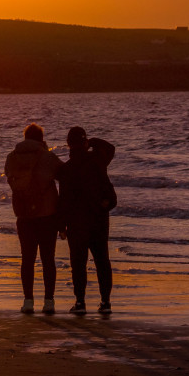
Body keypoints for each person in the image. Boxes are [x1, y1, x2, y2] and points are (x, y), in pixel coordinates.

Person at [4, 123, 63, 314]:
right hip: (46, 215)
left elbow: (11, 180)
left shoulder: (11, 157)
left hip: (23, 215)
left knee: (27, 259)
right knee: (48, 259)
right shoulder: (47, 157)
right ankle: (49, 302)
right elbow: (65, 176)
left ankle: (28, 301)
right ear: (41, 138)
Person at [58, 127, 116, 315]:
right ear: (84, 143)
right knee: (102, 261)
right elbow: (110, 148)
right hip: (98, 219)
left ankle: (80, 302)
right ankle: (105, 302)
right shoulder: (97, 160)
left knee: (78, 263)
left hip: (77, 222)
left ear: (68, 144)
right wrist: (92, 141)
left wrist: (62, 226)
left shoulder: (66, 168)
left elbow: (63, 199)